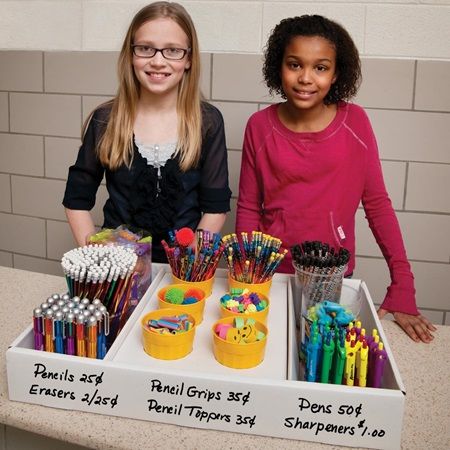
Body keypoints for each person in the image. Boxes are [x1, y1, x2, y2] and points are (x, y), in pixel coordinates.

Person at [236, 14, 436, 343]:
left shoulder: (354, 122)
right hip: (270, 275)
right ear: (278, 66)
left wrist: (403, 286)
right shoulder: (259, 126)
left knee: (319, 364)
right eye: (295, 64)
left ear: (336, 72)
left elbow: (378, 205)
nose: (305, 78)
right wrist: (248, 274)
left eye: (320, 67)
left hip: (331, 276)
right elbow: (247, 208)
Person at [63, 1, 231, 262]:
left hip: (180, 272)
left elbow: (216, 207)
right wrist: (97, 259)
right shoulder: (105, 120)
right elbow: (76, 199)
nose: (158, 61)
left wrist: (188, 260)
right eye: (145, 49)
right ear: (131, 55)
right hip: (119, 270)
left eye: (172, 50)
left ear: (188, 58)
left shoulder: (207, 121)